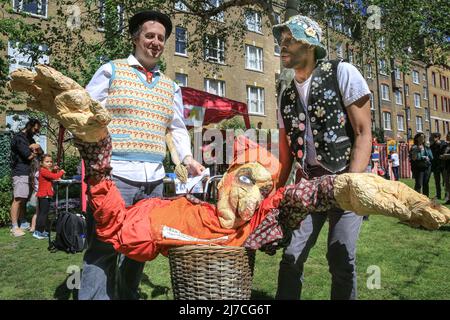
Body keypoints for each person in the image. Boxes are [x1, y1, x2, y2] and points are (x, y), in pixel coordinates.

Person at [79, 10, 205, 300]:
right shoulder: (111, 70)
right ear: (136, 38)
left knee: (141, 247)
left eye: (161, 38)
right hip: (115, 176)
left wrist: (187, 158)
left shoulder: (171, 87)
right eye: (150, 35)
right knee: (103, 249)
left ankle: (127, 295)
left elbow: (177, 128)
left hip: (154, 182)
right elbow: (83, 112)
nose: (155, 42)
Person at [272, 15, 372, 300]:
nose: (283, 47)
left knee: (340, 257)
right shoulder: (285, 95)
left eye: (290, 40)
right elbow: (285, 156)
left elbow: (364, 133)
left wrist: (350, 185)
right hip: (309, 184)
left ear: (310, 44)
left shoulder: (342, 71)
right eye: (281, 42)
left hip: (345, 178)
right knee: (290, 256)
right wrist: (275, 195)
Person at [9, 119, 42, 237]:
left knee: (24, 199)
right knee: (18, 198)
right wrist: (35, 149)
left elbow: (40, 153)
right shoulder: (19, 138)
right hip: (20, 171)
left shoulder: (29, 138)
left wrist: (36, 147)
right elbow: (28, 156)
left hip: (29, 172)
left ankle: (22, 221)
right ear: (29, 126)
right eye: (36, 129)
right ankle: (14, 226)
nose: (36, 132)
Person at [34, 154, 65, 239]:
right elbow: (54, 177)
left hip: (45, 195)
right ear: (41, 163)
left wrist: (54, 171)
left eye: (51, 161)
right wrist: (61, 172)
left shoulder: (45, 170)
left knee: (44, 214)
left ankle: (41, 231)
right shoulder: (43, 170)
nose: (49, 163)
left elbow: (51, 176)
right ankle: (38, 232)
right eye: (47, 162)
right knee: (43, 214)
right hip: (44, 195)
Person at [410, 132, 433, 197]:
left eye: (423, 137)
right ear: (417, 138)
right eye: (420, 137)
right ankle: (417, 198)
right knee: (419, 184)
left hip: (427, 166)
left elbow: (431, 157)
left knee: (426, 183)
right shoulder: (414, 147)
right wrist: (417, 150)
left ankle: (426, 199)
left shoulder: (426, 147)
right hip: (418, 167)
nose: (422, 138)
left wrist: (428, 157)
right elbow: (413, 158)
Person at [429, 132, 446, 199]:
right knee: (437, 181)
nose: (432, 138)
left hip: (443, 165)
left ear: (438, 137)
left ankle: (446, 195)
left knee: (445, 181)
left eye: (433, 137)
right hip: (435, 166)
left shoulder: (443, 144)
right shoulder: (432, 146)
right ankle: (438, 195)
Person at [440, 132, 450, 203]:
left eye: (448, 136)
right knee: (447, 183)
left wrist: (446, 156)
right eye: (447, 135)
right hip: (446, 166)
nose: (446, 137)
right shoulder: (445, 145)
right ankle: (448, 198)